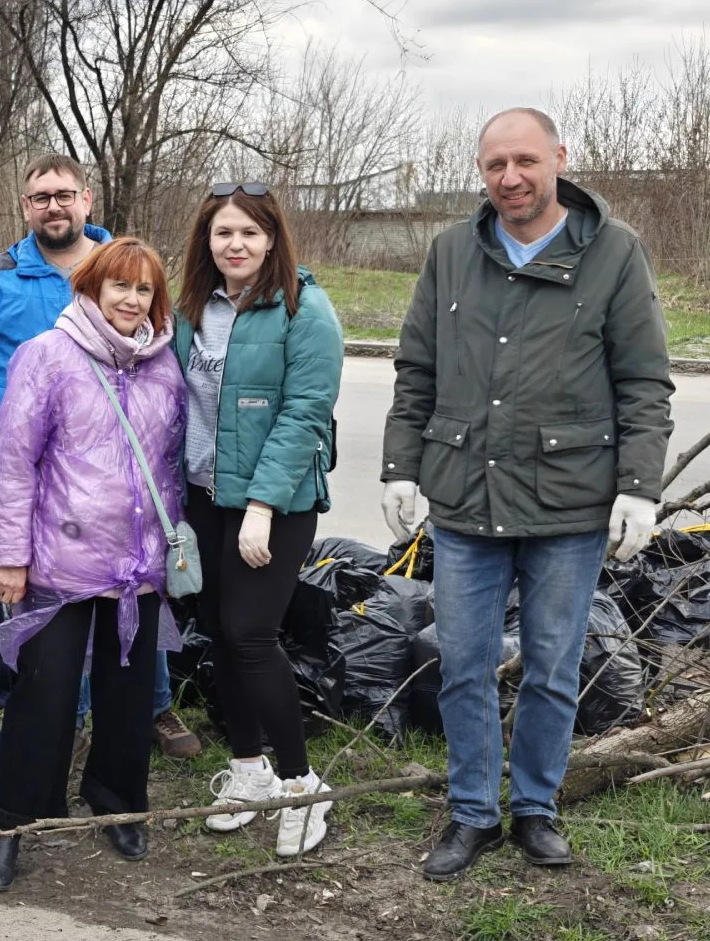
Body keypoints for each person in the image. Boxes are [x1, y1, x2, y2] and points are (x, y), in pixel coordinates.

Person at [381, 108, 674, 881]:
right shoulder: (451, 253)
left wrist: (639, 488)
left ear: (559, 160)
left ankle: (536, 810)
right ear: (481, 172)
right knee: (465, 665)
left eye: (524, 161)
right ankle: (474, 812)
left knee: (551, 666)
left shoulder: (614, 254)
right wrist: (400, 467)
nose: (509, 178)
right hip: (466, 503)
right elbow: (416, 370)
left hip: (568, 507)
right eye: (494, 166)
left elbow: (643, 383)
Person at [0, 152, 199, 761]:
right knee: (46, 606)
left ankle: (151, 709)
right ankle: (64, 719)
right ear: (26, 207)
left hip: (119, 489)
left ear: (87, 199)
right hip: (28, 476)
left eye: (64, 194)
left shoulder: (129, 272)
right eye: (40, 197)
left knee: (133, 596)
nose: (53, 205)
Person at [0, 237, 185, 891]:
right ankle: (13, 821)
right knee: (44, 696)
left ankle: (118, 804)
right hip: (59, 566)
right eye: (119, 285)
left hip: (137, 569)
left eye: (144, 289)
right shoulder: (47, 356)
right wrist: (9, 554)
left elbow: (170, 466)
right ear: (92, 287)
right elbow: (11, 462)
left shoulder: (163, 365)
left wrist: (171, 546)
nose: (131, 299)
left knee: (127, 703)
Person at [174, 182, 343, 858]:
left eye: (248, 232)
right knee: (218, 631)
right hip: (200, 497)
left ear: (272, 238)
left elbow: (305, 415)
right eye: (223, 233)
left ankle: (304, 786)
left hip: (275, 505)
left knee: (250, 634)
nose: (235, 244)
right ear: (207, 243)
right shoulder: (192, 307)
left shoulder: (305, 309)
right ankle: (250, 773)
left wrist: (262, 508)